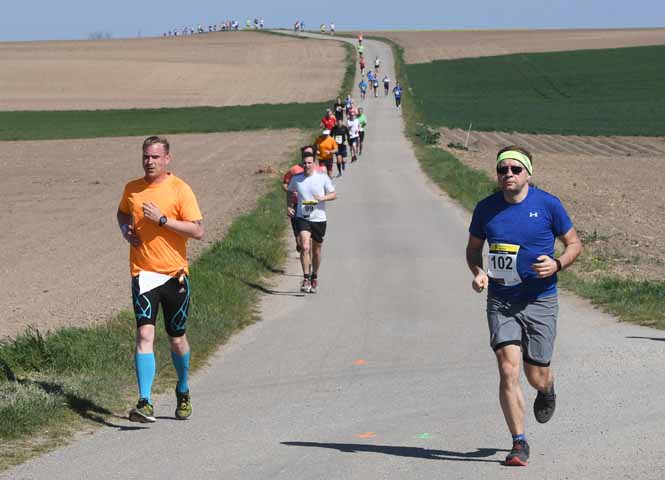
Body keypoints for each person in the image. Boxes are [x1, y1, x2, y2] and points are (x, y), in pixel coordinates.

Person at [465, 146, 582, 467]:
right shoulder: (485, 209)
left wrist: (557, 264)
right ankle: (519, 443)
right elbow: (473, 249)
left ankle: (547, 388)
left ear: (528, 173)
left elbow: (574, 243)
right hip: (502, 300)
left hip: (541, 299)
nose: (509, 175)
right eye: (503, 169)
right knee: (507, 369)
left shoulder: (547, 205)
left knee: (536, 375)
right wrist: (477, 272)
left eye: (516, 169)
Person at [117, 136, 205, 423]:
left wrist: (163, 220)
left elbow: (197, 230)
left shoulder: (180, 189)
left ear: (167, 159)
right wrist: (125, 230)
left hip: (174, 276)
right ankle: (145, 401)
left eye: (155, 157)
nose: (149, 161)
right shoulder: (132, 189)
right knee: (144, 334)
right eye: (146, 156)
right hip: (143, 274)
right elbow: (121, 213)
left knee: (177, 339)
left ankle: (182, 389)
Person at [287, 153, 337, 293]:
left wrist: (322, 197)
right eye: (304, 163)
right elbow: (290, 192)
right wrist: (290, 206)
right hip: (302, 217)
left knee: (316, 250)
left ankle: (314, 277)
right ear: (302, 164)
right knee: (305, 246)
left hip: (319, 218)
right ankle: (305, 278)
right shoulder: (296, 179)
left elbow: (334, 194)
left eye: (309, 163)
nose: (307, 165)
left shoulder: (322, 178)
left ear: (314, 163)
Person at [283, 146, 327, 252]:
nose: (307, 158)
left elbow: (326, 188)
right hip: (296, 205)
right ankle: (303, 248)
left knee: (308, 241)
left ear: (314, 156)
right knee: (300, 242)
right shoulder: (294, 170)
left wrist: (321, 197)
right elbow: (285, 184)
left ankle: (308, 254)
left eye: (310, 154)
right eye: (305, 154)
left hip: (312, 205)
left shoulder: (320, 170)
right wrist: (291, 191)